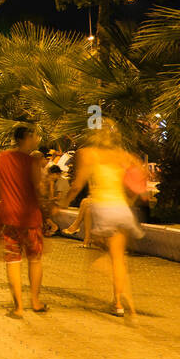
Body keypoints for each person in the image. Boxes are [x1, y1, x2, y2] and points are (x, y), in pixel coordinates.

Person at [63, 127, 145, 322]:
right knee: (118, 258)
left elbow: (76, 185)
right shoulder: (124, 156)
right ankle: (118, 300)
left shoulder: (89, 154)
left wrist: (62, 204)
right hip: (122, 209)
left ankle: (119, 295)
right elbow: (139, 183)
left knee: (101, 256)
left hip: (103, 210)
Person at [0, 125, 48, 318]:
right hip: (30, 217)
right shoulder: (32, 162)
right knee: (34, 259)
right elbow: (38, 189)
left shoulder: (2, 158)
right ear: (27, 137)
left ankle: (18, 307)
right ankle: (35, 301)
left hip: (8, 217)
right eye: (34, 136)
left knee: (13, 261)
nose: (36, 139)